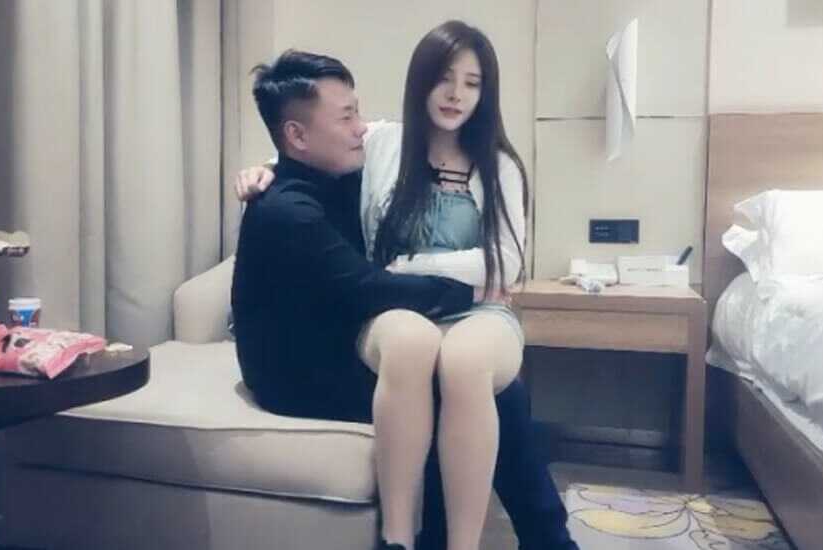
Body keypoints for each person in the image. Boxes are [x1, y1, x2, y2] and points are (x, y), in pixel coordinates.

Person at [236, 22, 578, 550]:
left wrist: (407, 269)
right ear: (420, 81)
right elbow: (297, 154)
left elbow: (504, 263)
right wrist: (260, 172)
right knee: (464, 382)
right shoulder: (382, 146)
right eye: (444, 78)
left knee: (468, 368)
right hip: (386, 321)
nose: (456, 94)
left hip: (465, 310)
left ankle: (484, 539)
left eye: (472, 83)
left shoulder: (499, 165)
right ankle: (473, 538)